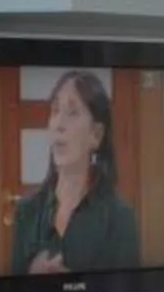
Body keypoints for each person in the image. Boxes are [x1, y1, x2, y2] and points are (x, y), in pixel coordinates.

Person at [10, 70, 141, 275]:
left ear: (96, 135)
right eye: (55, 111)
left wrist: (75, 288)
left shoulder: (119, 219)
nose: (59, 125)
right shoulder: (26, 211)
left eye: (72, 113)